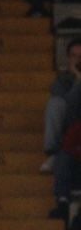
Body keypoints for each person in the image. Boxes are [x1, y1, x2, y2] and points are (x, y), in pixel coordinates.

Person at [42, 38, 81, 174]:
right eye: (74, 56)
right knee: (55, 103)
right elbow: (70, 104)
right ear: (68, 59)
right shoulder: (61, 80)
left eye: (80, 57)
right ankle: (54, 153)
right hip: (70, 123)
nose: (78, 60)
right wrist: (78, 80)